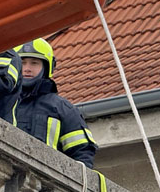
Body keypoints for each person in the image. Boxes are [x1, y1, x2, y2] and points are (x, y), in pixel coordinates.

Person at [13, 38, 97, 168]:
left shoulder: (62, 109)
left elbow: (82, 154)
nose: (27, 69)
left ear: (47, 67)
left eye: (34, 63)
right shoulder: (3, 103)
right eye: (22, 63)